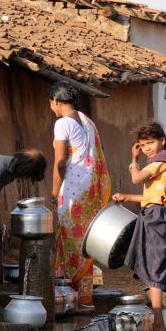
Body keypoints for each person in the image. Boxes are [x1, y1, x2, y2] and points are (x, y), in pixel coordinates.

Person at [112, 123, 166, 331]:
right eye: (143, 145)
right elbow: (152, 197)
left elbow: (136, 178)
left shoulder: (162, 160)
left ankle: (159, 321)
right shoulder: (161, 163)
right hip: (153, 214)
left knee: (155, 268)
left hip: (157, 218)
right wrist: (127, 198)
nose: (147, 149)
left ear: (162, 140)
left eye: (150, 143)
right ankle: (164, 316)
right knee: (156, 266)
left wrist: (133, 160)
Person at [49, 82, 111, 308]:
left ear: (56, 101)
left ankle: (76, 299)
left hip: (73, 191)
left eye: (51, 103)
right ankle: (84, 298)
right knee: (84, 242)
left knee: (72, 243)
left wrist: (55, 192)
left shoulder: (63, 124)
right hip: (90, 190)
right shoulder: (87, 121)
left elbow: (60, 161)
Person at [0, 150, 47, 283]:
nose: (25, 179)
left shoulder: (12, 173)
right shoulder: (1, 167)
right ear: (24, 168)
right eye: (27, 175)